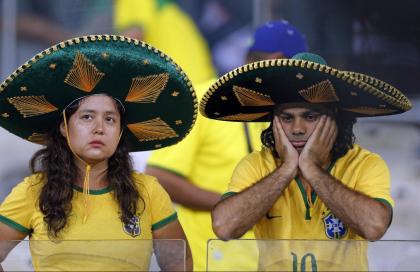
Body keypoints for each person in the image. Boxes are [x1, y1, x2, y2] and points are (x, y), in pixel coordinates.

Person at [0, 35, 196, 271]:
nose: (99, 128)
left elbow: (179, 262)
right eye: (87, 117)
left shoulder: (149, 191)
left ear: (120, 132)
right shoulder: (33, 192)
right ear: (64, 127)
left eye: (110, 119)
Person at [201, 52, 412, 270]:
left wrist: (311, 169)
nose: (297, 129)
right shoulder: (256, 164)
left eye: (310, 117)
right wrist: (286, 169)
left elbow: (374, 227)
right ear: (274, 122)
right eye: (287, 118)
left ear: (335, 118)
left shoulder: (365, 163)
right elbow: (224, 227)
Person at [145, 20, 308, 271]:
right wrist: (238, 205)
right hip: (208, 263)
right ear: (277, 61)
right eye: (299, 75)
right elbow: (159, 177)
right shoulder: (201, 101)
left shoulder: (279, 114)